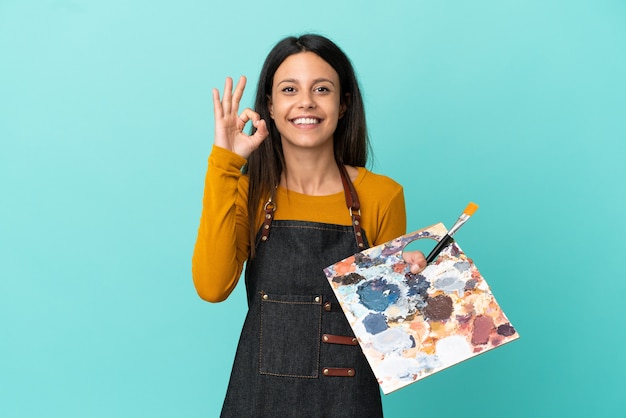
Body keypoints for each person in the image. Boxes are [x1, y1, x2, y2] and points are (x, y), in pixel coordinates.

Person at [192, 34, 426, 417]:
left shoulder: (382, 196)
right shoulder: (248, 192)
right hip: (258, 403)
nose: (306, 102)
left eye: (322, 89)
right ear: (270, 104)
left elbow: (391, 339)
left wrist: (413, 287)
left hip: (348, 405)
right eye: (289, 89)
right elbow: (212, 287)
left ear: (344, 102)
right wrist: (225, 163)